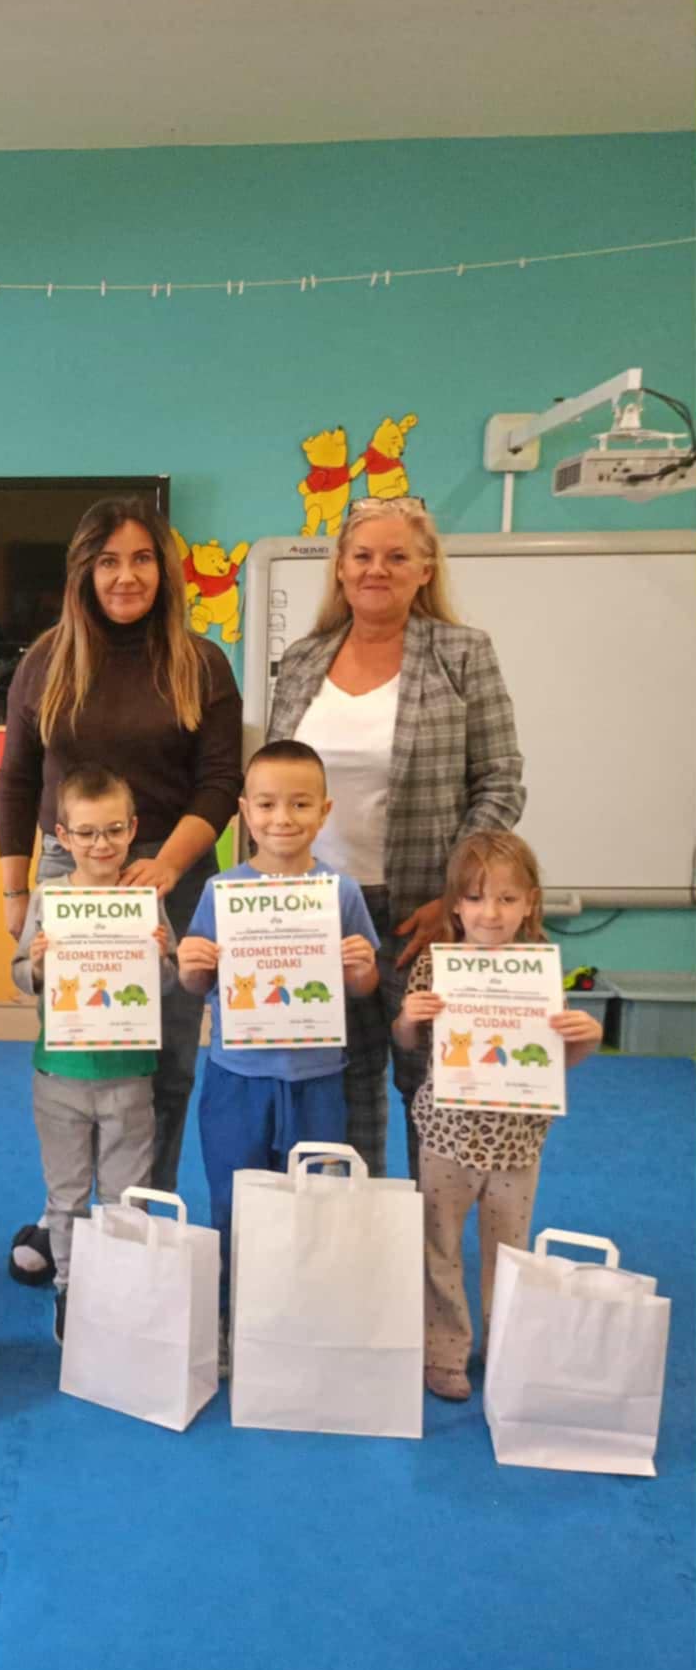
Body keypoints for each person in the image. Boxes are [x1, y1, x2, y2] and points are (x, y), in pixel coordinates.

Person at [0, 497, 242, 1283]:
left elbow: (220, 782)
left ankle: (140, 1214)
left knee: (162, 1060)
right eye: (108, 561)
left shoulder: (200, 662)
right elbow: (16, 777)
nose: (125, 576)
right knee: (77, 1054)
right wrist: (14, 891)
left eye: (140, 559)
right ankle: (64, 1212)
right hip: (69, 868)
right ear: (84, 571)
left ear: (163, 571)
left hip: (172, 867)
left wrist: (165, 865)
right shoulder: (45, 659)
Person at [267, 496, 525, 1181]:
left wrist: (456, 897)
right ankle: (359, 1230)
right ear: (340, 569)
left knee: (428, 1080)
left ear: (424, 570)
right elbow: (274, 784)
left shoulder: (462, 653)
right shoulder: (303, 660)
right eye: (361, 556)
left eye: (396, 556)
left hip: (423, 911)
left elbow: (500, 780)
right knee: (342, 1084)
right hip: (321, 911)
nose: (375, 569)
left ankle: (425, 1233)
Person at [178, 740, 379, 1374]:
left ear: (325, 811)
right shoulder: (221, 890)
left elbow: (362, 986)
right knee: (233, 1203)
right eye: (266, 804)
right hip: (236, 1079)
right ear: (244, 811)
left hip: (317, 1081)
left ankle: (303, 1321)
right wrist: (191, 963)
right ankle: (232, 1319)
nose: (282, 818)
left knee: (313, 1206)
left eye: (299, 804)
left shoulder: (340, 892)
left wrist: (362, 969)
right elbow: (196, 983)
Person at [392, 830, 602, 1402]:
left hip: (517, 1141)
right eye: (477, 897)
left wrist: (586, 1037)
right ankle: (444, 1351)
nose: (491, 912)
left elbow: (556, 1058)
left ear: (530, 904)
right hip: (446, 1136)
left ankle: (505, 1344)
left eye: (507, 899)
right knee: (438, 1246)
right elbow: (408, 1043)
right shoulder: (436, 966)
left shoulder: (540, 972)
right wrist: (408, 1017)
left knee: (508, 1251)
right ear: (456, 905)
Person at [11, 764, 178, 1344]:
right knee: (66, 1196)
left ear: (133, 829)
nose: (101, 844)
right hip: (60, 1075)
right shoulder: (49, 898)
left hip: (130, 1075)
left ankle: (123, 1287)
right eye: (86, 832)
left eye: (113, 830)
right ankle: (70, 1288)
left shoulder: (144, 901)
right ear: (63, 836)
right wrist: (36, 964)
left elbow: (169, 984)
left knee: (125, 1197)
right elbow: (19, 975)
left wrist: (160, 958)